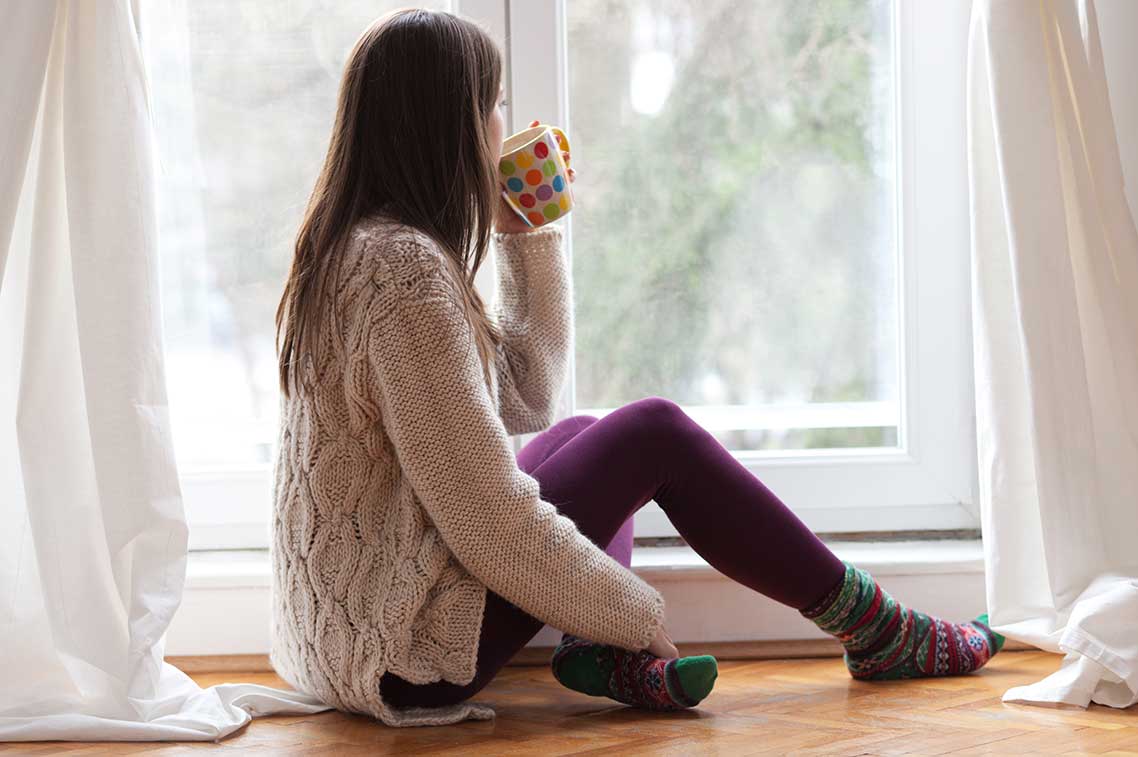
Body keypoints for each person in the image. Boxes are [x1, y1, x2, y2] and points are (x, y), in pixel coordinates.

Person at [269, 7, 1005, 729]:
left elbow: (528, 397)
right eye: (492, 105)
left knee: (589, 432)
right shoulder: (404, 272)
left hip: (342, 638)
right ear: (446, 125)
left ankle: (597, 653)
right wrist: (635, 610)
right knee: (653, 431)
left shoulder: (355, 250)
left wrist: (531, 232)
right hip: (399, 658)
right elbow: (488, 521)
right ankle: (876, 626)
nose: (501, 126)